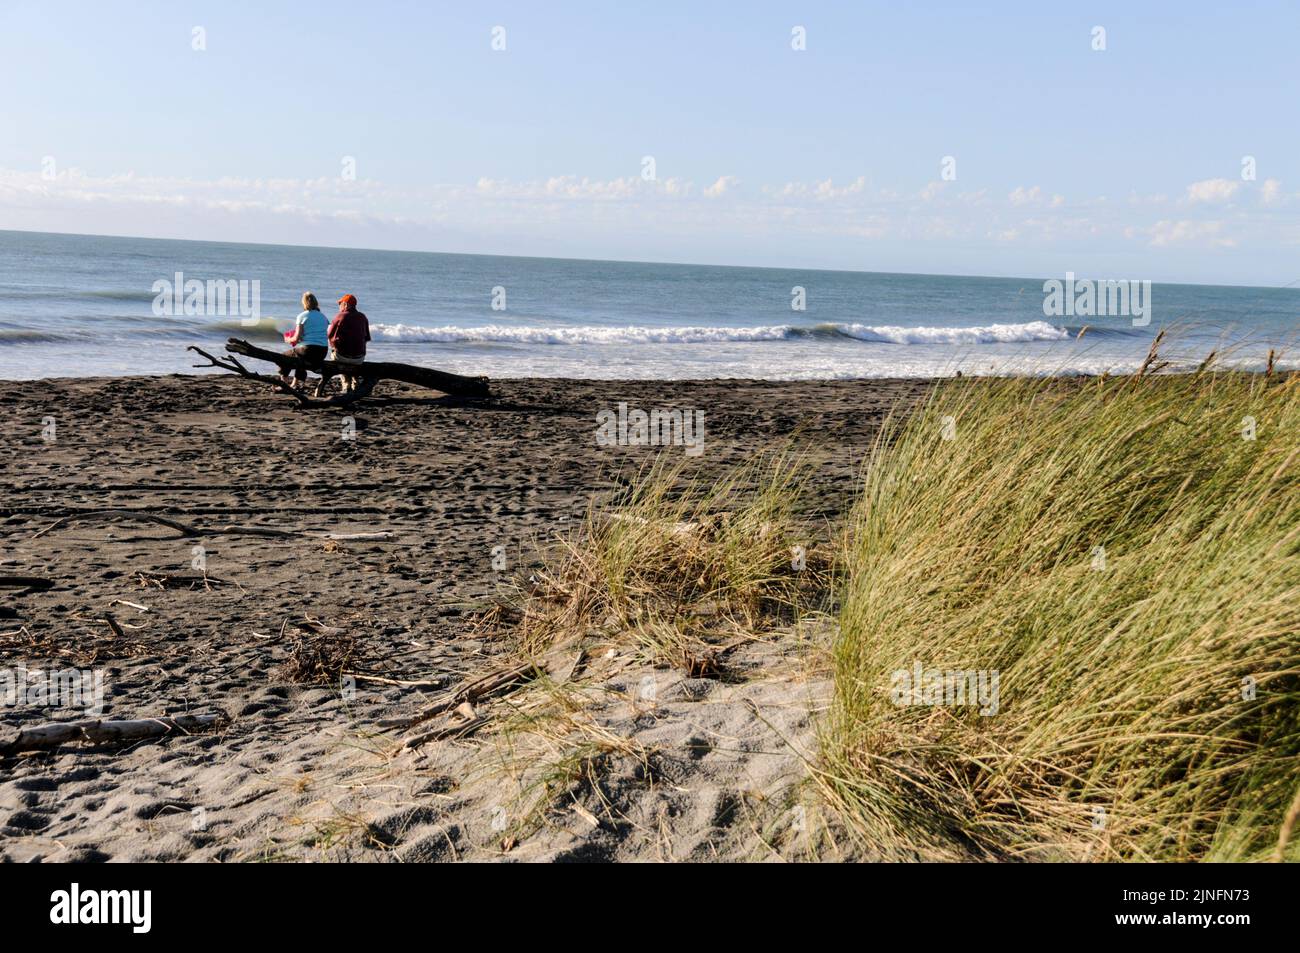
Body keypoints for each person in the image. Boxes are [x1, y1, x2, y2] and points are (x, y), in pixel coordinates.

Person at [281, 292, 329, 389]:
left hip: (308, 350)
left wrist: (287, 339)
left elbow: (296, 338)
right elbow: (320, 334)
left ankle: (284, 384)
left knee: (283, 357)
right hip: (322, 352)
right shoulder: (323, 317)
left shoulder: (302, 316)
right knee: (300, 358)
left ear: (304, 303)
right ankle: (294, 384)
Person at [328, 293, 371, 393]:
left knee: (336, 355)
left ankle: (346, 385)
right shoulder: (363, 317)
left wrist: (334, 347)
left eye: (341, 304)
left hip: (343, 357)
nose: (339, 306)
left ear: (346, 304)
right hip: (359, 358)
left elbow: (330, 336)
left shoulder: (340, 316)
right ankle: (355, 383)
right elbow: (367, 338)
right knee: (351, 354)